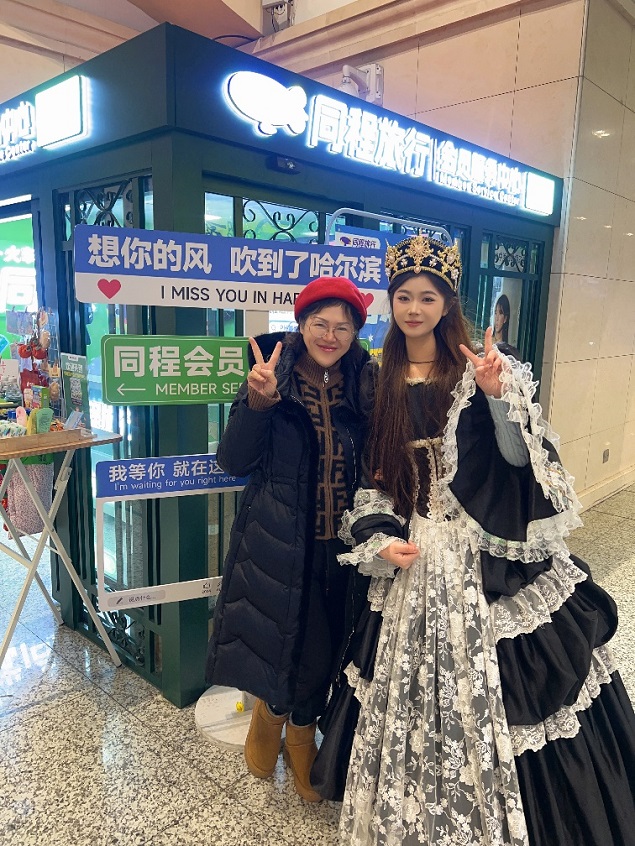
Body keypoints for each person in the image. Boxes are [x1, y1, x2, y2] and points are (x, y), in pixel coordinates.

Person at [331, 235, 635, 845]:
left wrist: (498, 396)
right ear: (391, 302)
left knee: (500, 688)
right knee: (409, 690)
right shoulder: (378, 378)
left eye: (427, 297)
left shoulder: (484, 366)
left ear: (447, 303)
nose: (414, 308)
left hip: (483, 549)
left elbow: (519, 459)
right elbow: (376, 475)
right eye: (403, 296)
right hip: (417, 550)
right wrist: (379, 538)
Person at [205, 276, 377, 803]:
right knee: (286, 640)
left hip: (342, 545)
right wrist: (257, 403)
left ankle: (300, 730)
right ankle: (274, 716)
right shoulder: (270, 374)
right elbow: (233, 461)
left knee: (327, 647)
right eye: (320, 324)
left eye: (343, 328)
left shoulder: (365, 383)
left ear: (355, 334)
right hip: (279, 535)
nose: (330, 336)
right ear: (301, 324)